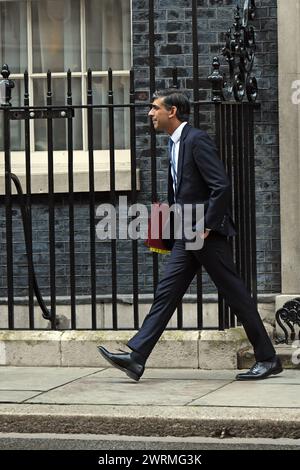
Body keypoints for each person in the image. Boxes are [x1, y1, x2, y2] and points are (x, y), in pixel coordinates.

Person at [98, 89, 282, 381]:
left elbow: (221, 185)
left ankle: (268, 358)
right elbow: (181, 194)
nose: (150, 113)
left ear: (172, 111)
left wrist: (207, 224)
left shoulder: (196, 140)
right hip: (187, 232)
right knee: (166, 292)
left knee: (235, 294)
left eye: (154, 108)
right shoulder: (174, 144)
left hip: (204, 233)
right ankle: (136, 357)